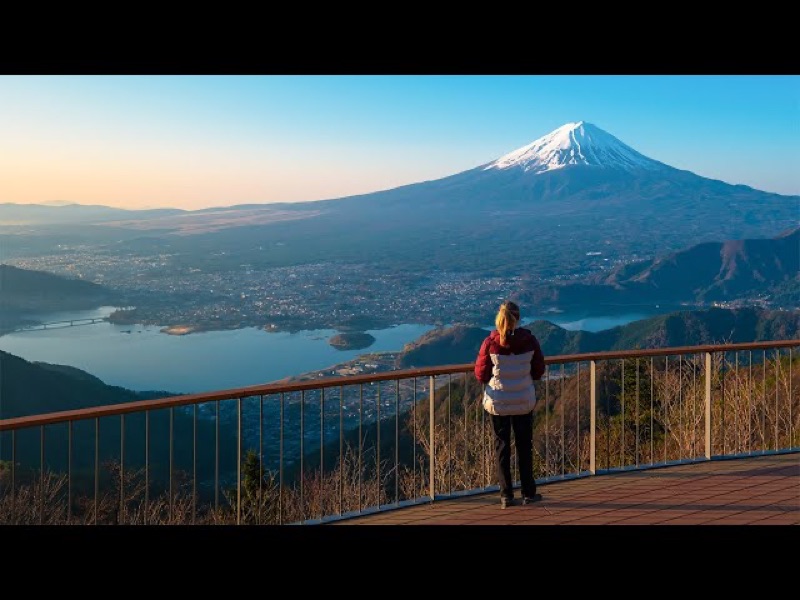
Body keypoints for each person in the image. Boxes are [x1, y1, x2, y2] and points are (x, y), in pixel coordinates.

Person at [474, 300, 546, 509]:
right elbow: (539, 370)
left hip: (498, 402)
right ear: (518, 318)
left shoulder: (490, 343)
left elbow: (481, 374)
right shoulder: (530, 341)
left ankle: (506, 495)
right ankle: (528, 493)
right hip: (523, 401)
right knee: (524, 446)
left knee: (502, 448)